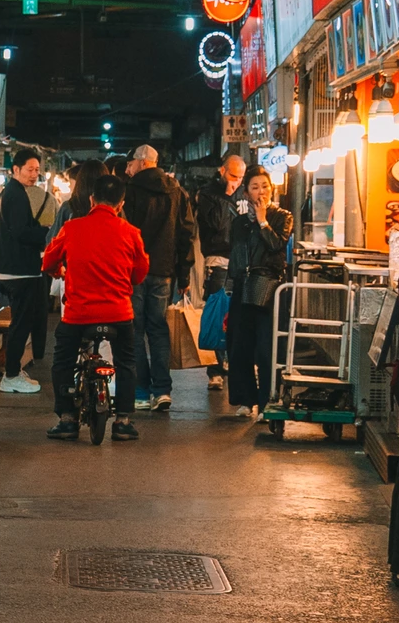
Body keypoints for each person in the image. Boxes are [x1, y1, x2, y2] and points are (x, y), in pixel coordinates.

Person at [41, 172, 151, 443]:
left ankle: (67, 419)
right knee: (127, 362)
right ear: (121, 204)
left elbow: (48, 263)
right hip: (119, 314)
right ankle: (123, 421)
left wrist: (58, 271)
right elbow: (139, 274)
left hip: (79, 314)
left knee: (63, 360)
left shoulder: (72, 227)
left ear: (91, 199)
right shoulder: (131, 233)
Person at [123, 143, 195, 411]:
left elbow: (124, 231)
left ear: (142, 162)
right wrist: (184, 273)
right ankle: (162, 390)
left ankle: (141, 391)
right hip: (165, 272)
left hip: (135, 271)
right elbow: (187, 233)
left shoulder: (130, 191)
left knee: (135, 329)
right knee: (159, 329)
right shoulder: (177, 192)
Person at [225, 168, 292, 418]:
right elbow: (235, 254)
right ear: (245, 192)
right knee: (240, 346)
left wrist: (263, 220)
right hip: (243, 286)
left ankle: (268, 401)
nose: (261, 191)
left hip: (269, 288)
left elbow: (276, 245)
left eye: (265, 186)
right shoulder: (239, 222)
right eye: (254, 187)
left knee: (267, 348)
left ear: (272, 189)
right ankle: (245, 400)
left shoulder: (282, 217)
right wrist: (230, 285)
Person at [0, 148, 56, 394]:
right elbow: (21, 232)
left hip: (15, 269)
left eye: (37, 170)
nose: (34, 175)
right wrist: (47, 233)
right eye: (29, 170)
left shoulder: (15, 193)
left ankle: (13, 371)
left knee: (21, 321)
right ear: (15, 169)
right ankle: (10, 375)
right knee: (21, 323)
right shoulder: (16, 195)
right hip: (19, 270)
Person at [196, 148, 248, 387]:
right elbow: (215, 225)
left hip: (242, 260)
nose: (236, 182)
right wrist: (226, 197)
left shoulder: (245, 195)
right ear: (222, 171)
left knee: (239, 314)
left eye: (240, 178)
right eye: (232, 176)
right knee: (217, 313)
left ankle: (235, 363)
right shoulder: (207, 195)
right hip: (217, 260)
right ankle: (214, 370)